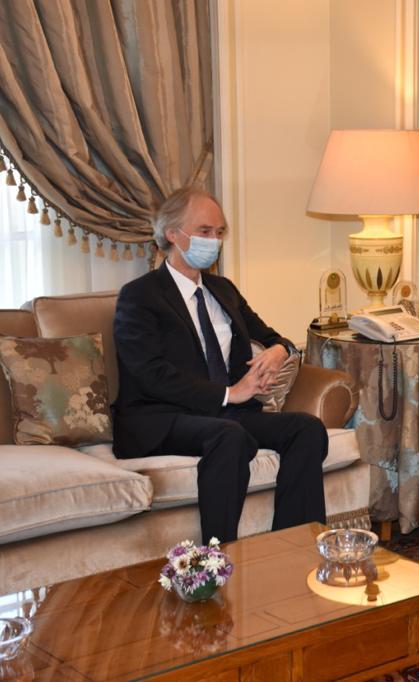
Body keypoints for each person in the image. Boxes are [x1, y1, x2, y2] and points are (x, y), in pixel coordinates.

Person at [112, 187, 328, 545]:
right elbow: (150, 374)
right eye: (204, 231)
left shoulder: (222, 289)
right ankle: (217, 557)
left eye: (219, 232)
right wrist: (230, 393)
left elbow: (273, 336)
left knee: (306, 429)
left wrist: (279, 350)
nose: (214, 241)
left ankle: (295, 546)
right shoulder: (140, 295)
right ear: (172, 234)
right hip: (162, 417)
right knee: (229, 436)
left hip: (224, 414)